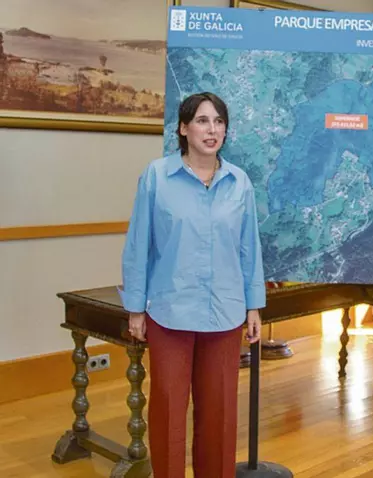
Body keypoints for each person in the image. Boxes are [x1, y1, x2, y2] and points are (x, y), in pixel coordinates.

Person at [120, 92, 265, 478]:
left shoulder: (239, 182)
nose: (212, 129)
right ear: (183, 129)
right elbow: (138, 245)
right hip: (170, 313)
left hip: (225, 313)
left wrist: (253, 305)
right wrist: (135, 307)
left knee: (220, 414)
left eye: (219, 121)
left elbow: (249, 248)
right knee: (168, 409)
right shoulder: (157, 176)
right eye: (202, 120)